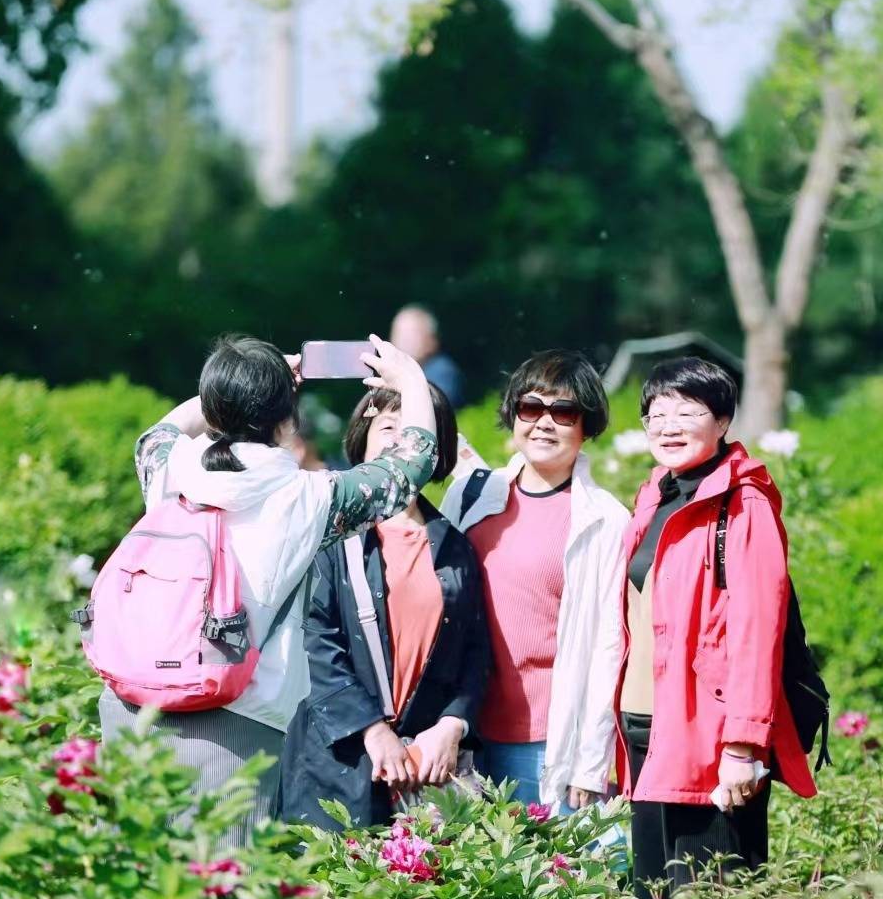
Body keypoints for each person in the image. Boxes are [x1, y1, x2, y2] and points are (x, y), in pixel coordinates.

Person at [98, 334, 437, 839]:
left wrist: (232, 388)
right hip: (235, 724)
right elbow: (409, 468)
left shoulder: (169, 468)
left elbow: (158, 431)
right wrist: (410, 378)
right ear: (287, 421)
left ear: (214, 408)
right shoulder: (307, 498)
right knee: (218, 881)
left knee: (127, 874)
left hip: (129, 709)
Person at [616, 358, 816, 899]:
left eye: (688, 412)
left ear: (723, 420)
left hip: (711, 735)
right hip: (645, 724)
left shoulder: (743, 504)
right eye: (657, 414)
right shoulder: (655, 494)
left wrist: (743, 746)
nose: (669, 426)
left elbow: (756, 632)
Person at [277, 383, 489, 832]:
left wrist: (452, 724)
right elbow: (313, 642)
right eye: (389, 426)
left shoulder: (455, 546)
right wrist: (372, 730)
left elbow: (475, 651)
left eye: (414, 427)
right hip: (338, 760)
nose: (401, 439)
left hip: (422, 769)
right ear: (363, 438)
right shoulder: (329, 533)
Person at [442, 351, 630, 812]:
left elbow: (609, 646)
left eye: (563, 412)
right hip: (462, 731)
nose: (544, 423)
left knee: (553, 859)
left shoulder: (605, 519)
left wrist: (590, 762)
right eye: (531, 407)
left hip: (547, 742)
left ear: (586, 426)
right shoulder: (470, 496)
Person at [392, 304, 465, 409]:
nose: (404, 341)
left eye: (411, 334)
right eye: (399, 333)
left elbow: (435, 409)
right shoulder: (396, 372)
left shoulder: (442, 371)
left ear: (432, 339)